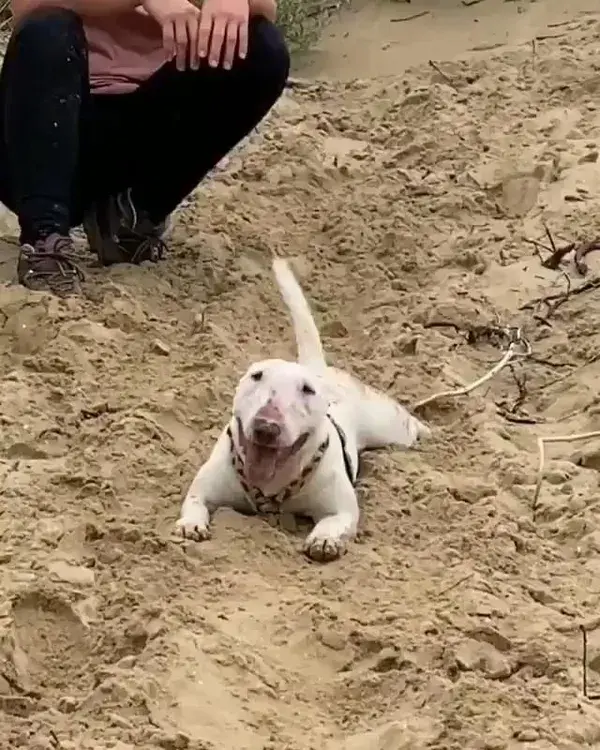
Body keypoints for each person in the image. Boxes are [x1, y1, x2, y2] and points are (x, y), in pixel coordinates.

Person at [0, 0, 289, 295]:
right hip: (43, 129)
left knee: (263, 46)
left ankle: (133, 214)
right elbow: (27, 5)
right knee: (47, 28)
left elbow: (266, 8)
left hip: (149, 122)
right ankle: (44, 239)